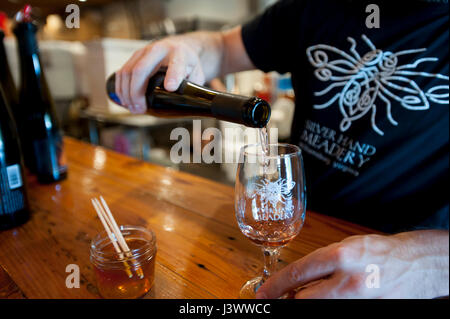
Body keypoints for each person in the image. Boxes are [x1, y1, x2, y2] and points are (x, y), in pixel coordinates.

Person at [114, 0, 449, 298]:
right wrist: (187, 47)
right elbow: (220, 47)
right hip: (303, 233)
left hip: (402, 279)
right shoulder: (312, 7)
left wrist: (430, 264)